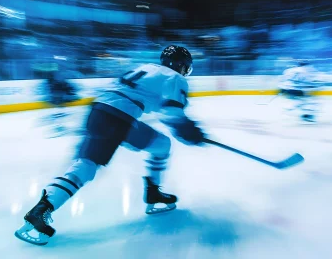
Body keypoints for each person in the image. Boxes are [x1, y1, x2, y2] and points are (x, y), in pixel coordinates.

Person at [15, 45, 206, 245]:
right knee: (86, 167)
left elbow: (159, 107)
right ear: (182, 65)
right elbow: (172, 112)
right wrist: (190, 132)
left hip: (104, 112)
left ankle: (153, 192)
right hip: (118, 119)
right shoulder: (176, 78)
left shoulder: (147, 69)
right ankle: (40, 211)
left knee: (161, 145)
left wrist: (185, 130)